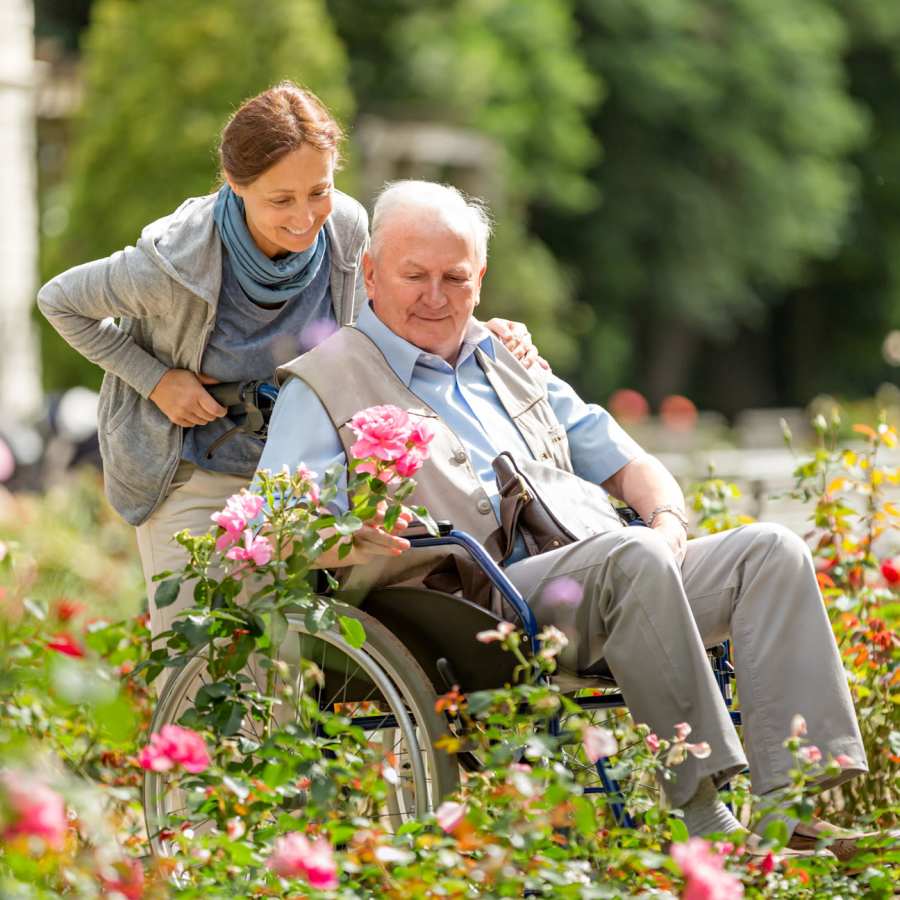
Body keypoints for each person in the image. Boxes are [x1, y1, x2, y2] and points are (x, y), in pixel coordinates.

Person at [257, 179, 873, 858]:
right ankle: (705, 819)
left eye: (454, 277)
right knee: (631, 557)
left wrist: (667, 522)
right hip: (467, 609)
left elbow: (633, 464)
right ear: (371, 273)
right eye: (414, 275)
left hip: (597, 579)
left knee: (770, 551)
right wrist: (348, 537)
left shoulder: (508, 360)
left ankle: (792, 814)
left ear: (480, 279)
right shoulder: (325, 383)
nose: (435, 296)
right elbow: (278, 525)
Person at [37, 83, 540, 638]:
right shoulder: (174, 262)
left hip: (299, 474)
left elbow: (392, 309)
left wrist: (477, 331)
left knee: (291, 668)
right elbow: (59, 301)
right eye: (281, 200)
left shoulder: (345, 227)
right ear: (236, 184)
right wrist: (156, 381)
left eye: (318, 191)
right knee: (202, 661)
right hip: (194, 472)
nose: (305, 218)